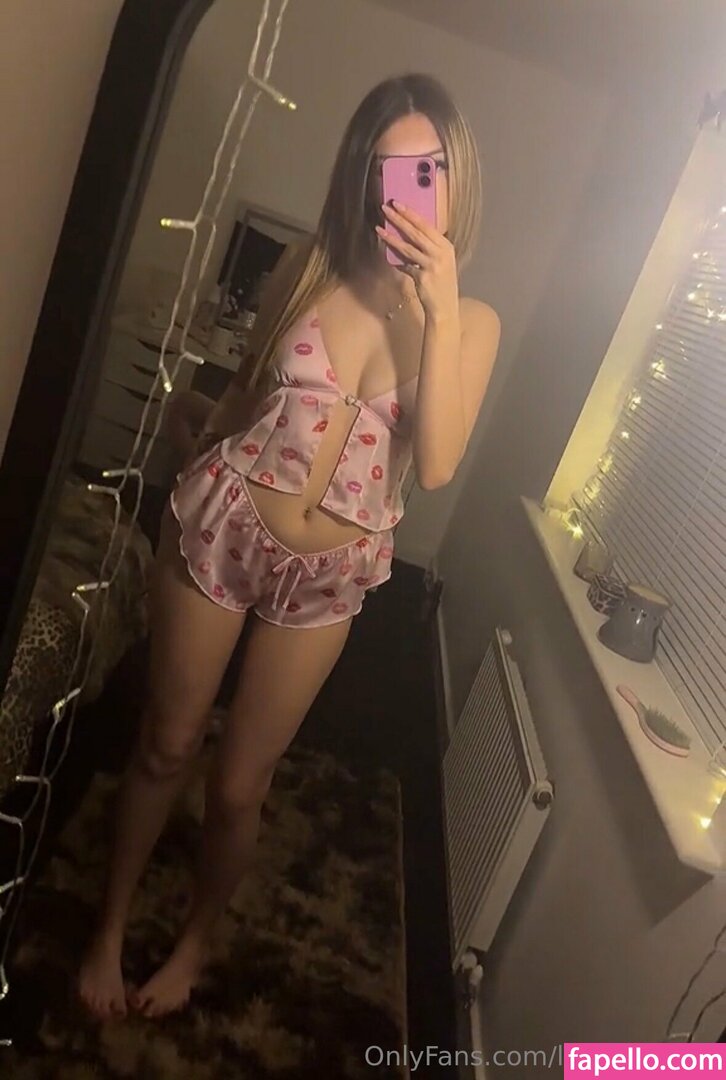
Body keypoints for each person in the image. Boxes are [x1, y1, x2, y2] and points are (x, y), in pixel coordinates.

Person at [79, 72, 501, 1020]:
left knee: (240, 787)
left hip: (329, 577)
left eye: (428, 169)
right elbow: (242, 394)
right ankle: (106, 930)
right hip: (225, 521)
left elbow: (435, 465)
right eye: (387, 168)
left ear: (456, 179)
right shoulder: (310, 265)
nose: (407, 191)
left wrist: (437, 308)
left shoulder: (472, 323)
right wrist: (193, 432)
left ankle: (195, 943)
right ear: (362, 177)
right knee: (165, 745)